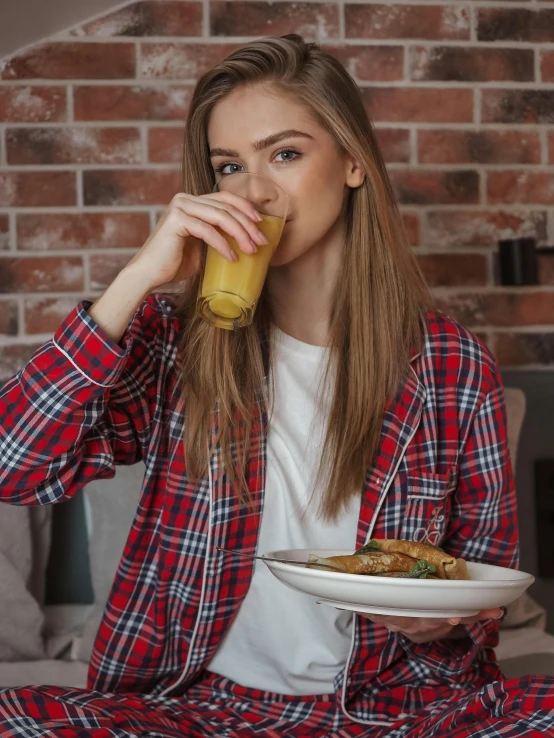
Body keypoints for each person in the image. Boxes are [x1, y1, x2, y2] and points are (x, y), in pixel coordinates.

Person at [0, 34, 552, 738]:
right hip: (201, 710)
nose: (253, 190)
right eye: (229, 166)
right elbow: (12, 464)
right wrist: (138, 277)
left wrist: (437, 621)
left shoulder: (452, 365)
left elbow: (482, 589)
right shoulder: (175, 344)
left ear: (353, 162)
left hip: (395, 712)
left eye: (284, 154)